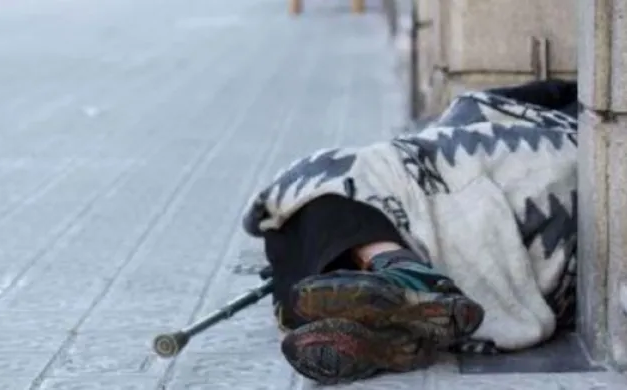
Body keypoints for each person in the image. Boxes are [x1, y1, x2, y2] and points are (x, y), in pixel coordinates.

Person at [241, 80, 578, 384]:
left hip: (521, 169)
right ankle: (392, 316)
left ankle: (397, 283)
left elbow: (491, 106)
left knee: (325, 183)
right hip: (472, 175)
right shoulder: (587, 101)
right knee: (307, 208)